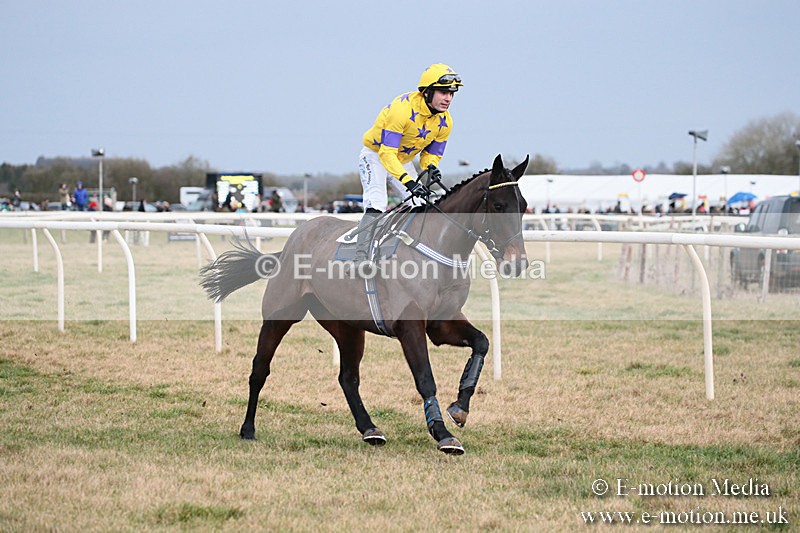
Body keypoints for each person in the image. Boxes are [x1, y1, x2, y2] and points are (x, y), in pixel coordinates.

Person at [350, 63, 463, 270]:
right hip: (376, 156)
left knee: (420, 205)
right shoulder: (402, 110)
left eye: (451, 94)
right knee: (377, 201)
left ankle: (406, 251)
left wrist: (430, 166)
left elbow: (430, 154)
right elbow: (386, 154)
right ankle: (360, 258)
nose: (448, 98)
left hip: (401, 160)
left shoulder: (446, 122)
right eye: (443, 92)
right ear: (427, 92)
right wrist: (409, 182)